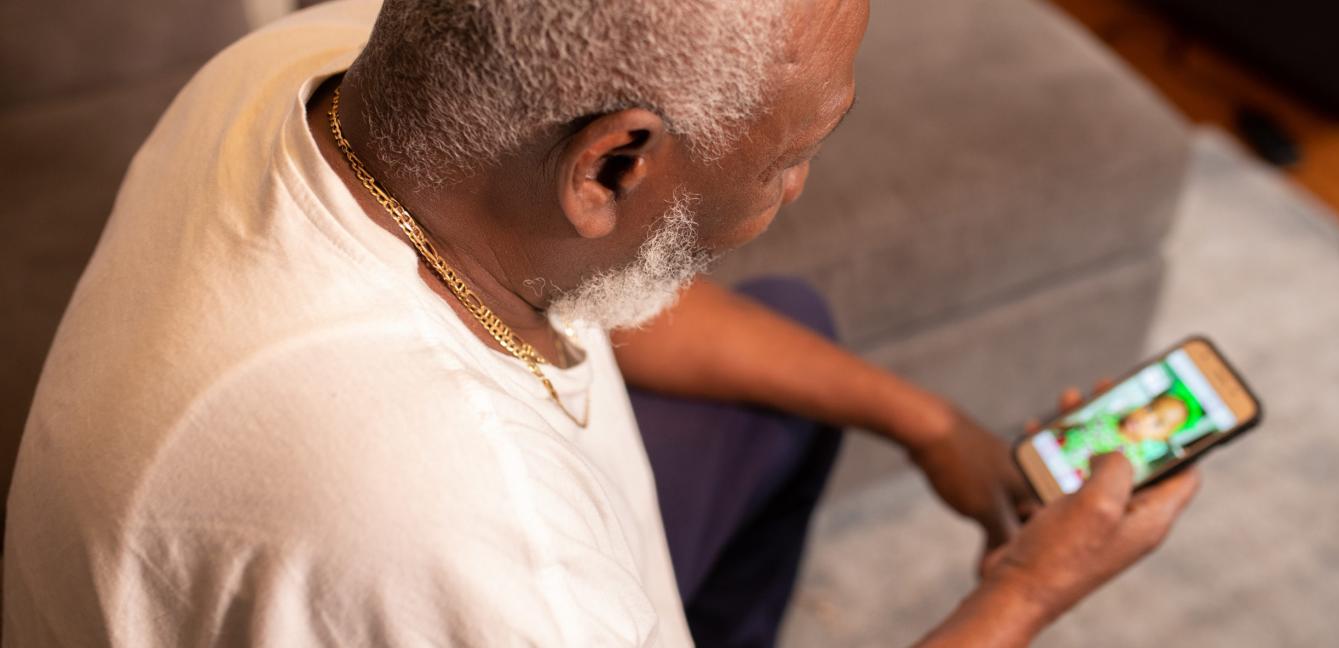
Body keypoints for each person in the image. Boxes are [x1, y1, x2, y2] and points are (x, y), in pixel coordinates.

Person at [3, 0, 1200, 646]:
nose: (796, 192)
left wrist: (925, 418)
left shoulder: (312, 65)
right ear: (611, 164)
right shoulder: (465, 548)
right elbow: (475, 558)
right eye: (793, 155)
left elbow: (594, 304)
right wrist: (1029, 592)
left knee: (794, 338)